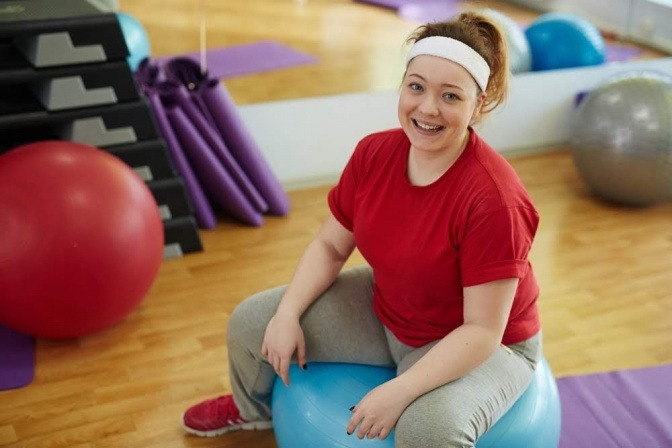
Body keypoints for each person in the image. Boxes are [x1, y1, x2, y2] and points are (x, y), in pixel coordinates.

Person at [182, 10, 542, 447]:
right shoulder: (374, 153)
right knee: (252, 322)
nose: (427, 108)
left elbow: (482, 330)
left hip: (481, 343)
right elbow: (332, 245)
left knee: (428, 429)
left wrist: (399, 391)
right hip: (389, 307)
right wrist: (288, 313)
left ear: (478, 104)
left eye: (450, 96)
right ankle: (251, 413)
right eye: (416, 87)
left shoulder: (494, 200)